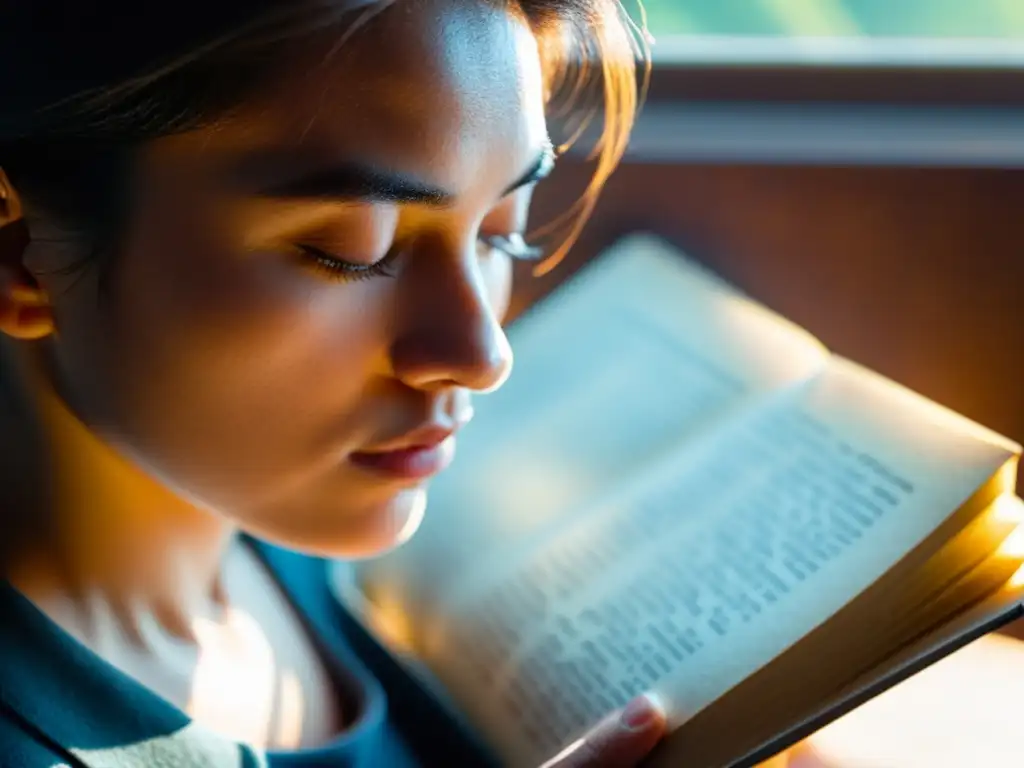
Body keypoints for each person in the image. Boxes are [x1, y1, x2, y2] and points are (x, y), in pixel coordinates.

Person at [0, 0, 674, 765]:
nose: (483, 353)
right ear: (19, 248)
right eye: (350, 252)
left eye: (501, 231)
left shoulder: (320, 554)